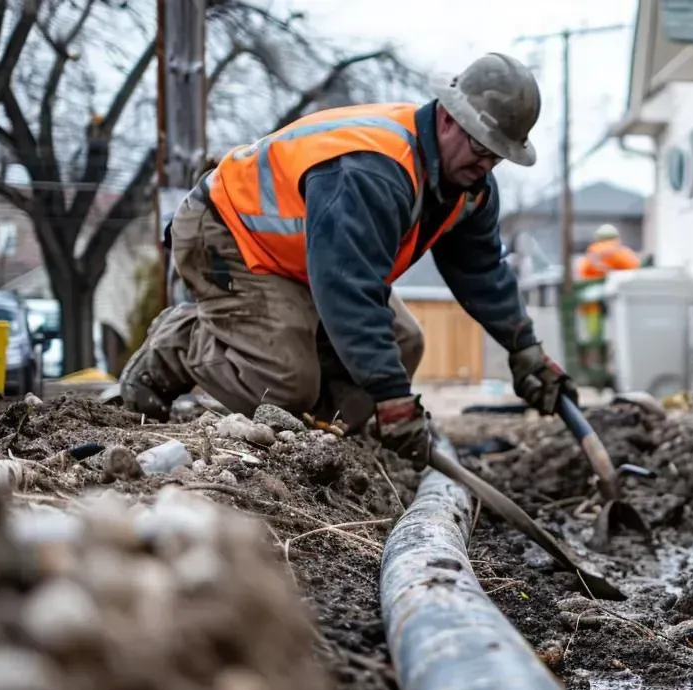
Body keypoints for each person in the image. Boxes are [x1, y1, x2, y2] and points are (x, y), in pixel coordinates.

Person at [117, 52, 576, 470]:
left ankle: (312, 444)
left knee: (403, 345)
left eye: (497, 156)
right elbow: (348, 290)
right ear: (449, 118)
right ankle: (182, 342)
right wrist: (395, 402)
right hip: (229, 235)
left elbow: (481, 271)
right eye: (481, 148)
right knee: (285, 386)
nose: (486, 165)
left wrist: (525, 350)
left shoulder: (468, 187)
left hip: (308, 259)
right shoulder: (373, 170)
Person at [574, 223, 640, 348]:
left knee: (594, 324)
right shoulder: (622, 251)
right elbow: (634, 268)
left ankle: (595, 342)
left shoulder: (593, 251)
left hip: (590, 295)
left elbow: (583, 272)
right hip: (619, 294)